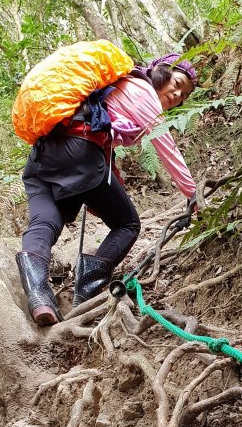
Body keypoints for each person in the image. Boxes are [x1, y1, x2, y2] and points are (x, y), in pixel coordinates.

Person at [15, 53, 198, 325]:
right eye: (178, 83)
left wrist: (108, 189)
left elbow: (105, 147)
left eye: (183, 96)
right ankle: (85, 295)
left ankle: (39, 296)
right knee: (127, 224)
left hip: (44, 155)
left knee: (45, 221)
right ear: (162, 72)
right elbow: (165, 145)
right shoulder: (141, 90)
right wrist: (193, 193)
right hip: (80, 153)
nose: (177, 95)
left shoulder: (112, 90)